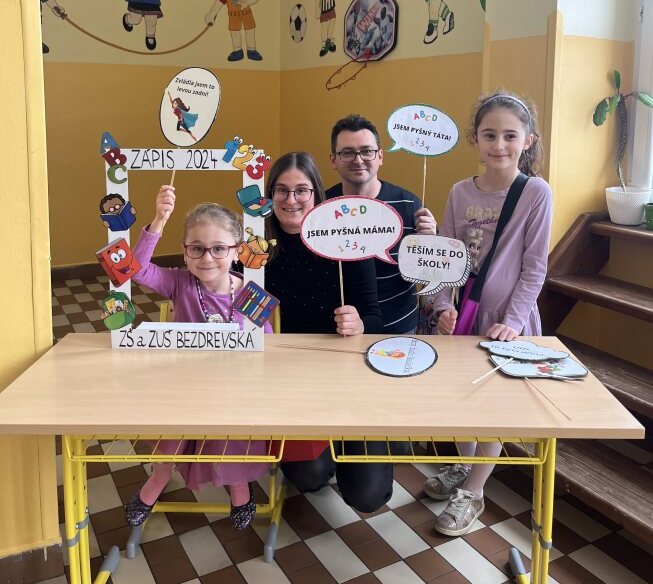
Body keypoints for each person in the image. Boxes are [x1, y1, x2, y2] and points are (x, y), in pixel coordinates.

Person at [424, 90, 553, 536]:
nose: (500, 144)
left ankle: (474, 492)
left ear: (528, 141)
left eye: (510, 136)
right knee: (462, 399)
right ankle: (464, 466)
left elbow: (535, 267)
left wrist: (513, 321)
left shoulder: (535, 193)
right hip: (464, 315)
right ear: (475, 139)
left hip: (507, 323)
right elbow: (446, 257)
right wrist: (443, 305)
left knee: (493, 407)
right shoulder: (460, 192)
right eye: (490, 134)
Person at [124, 186, 271, 530]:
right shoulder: (180, 283)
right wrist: (159, 221)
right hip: (183, 389)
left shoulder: (251, 293)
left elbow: (268, 349)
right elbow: (135, 269)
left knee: (232, 439)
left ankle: (239, 485)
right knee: (171, 438)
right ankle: (159, 478)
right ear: (185, 252)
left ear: (237, 251)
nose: (207, 258)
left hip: (233, 392)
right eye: (197, 248)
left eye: (219, 248)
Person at [265, 152, 396, 513]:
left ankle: (354, 444)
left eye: (301, 190)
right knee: (309, 476)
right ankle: (322, 452)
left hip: (348, 380)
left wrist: (360, 324)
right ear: (270, 195)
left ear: (317, 194)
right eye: (281, 190)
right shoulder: (255, 248)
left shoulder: (345, 242)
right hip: (288, 381)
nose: (291, 200)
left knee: (368, 496)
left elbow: (375, 318)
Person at [326, 114, 438, 334]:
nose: (358, 160)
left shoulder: (409, 205)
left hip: (400, 330)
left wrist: (432, 244)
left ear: (380, 156)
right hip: (340, 332)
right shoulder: (322, 208)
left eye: (367, 151)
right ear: (333, 160)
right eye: (347, 152)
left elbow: (432, 274)